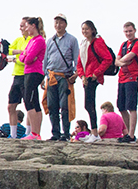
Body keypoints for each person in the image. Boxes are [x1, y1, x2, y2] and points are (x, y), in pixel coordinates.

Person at [75, 20, 113, 144]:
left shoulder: (97, 42)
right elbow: (79, 63)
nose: (85, 31)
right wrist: (82, 76)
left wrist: (96, 73)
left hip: (93, 77)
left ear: (92, 29)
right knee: (88, 104)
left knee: (89, 104)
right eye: (83, 29)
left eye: (87, 29)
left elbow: (108, 59)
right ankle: (94, 133)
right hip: (86, 78)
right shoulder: (84, 43)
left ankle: (95, 134)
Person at [44, 13, 79, 141]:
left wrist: (75, 74)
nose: (58, 25)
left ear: (65, 24)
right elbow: (46, 60)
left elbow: (76, 58)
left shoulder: (72, 40)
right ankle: (55, 133)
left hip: (65, 76)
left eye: (61, 22)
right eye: (56, 23)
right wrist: (45, 76)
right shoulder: (50, 41)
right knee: (52, 106)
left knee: (65, 106)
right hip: (51, 76)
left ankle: (66, 133)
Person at [114, 22, 138, 143]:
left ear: (135, 30)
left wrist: (120, 61)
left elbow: (129, 57)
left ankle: (131, 135)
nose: (128, 33)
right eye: (126, 31)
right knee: (121, 106)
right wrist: (121, 63)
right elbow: (117, 61)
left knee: (131, 106)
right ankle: (127, 133)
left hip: (132, 77)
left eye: (130, 31)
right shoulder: (123, 44)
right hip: (122, 77)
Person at [18, 16, 46, 139]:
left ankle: (34, 133)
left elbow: (28, 58)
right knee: (34, 101)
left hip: (34, 72)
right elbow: (23, 56)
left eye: (27, 26)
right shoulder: (31, 41)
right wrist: (25, 55)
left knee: (28, 99)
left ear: (33, 26)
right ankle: (36, 133)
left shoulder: (39, 40)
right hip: (28, 71)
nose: (26, 28)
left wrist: (26, 56)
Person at [6, 18, 31, 138]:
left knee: (29, 104)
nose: (20, 28)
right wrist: (20, 51)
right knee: (11, 105)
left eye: (22, 26)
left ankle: (29, 132)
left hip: (28, 75)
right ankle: (13, 134)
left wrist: (16, 59)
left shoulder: (33, 40)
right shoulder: (18, 40)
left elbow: (29, 59)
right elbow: (7, 50)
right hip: (17, 76)